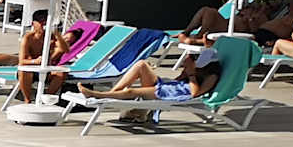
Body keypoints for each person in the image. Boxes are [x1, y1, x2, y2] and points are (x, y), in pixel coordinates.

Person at [76, 45, 223, 103]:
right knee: (141, 64)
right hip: (170, 85)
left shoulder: (211, 77)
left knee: (131, 91)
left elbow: (194, 93)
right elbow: (178, 80)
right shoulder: (201, 70)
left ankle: (97, 95)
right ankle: (111, 94)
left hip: (174, 93)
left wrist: (191, 74)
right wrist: (186, 72)